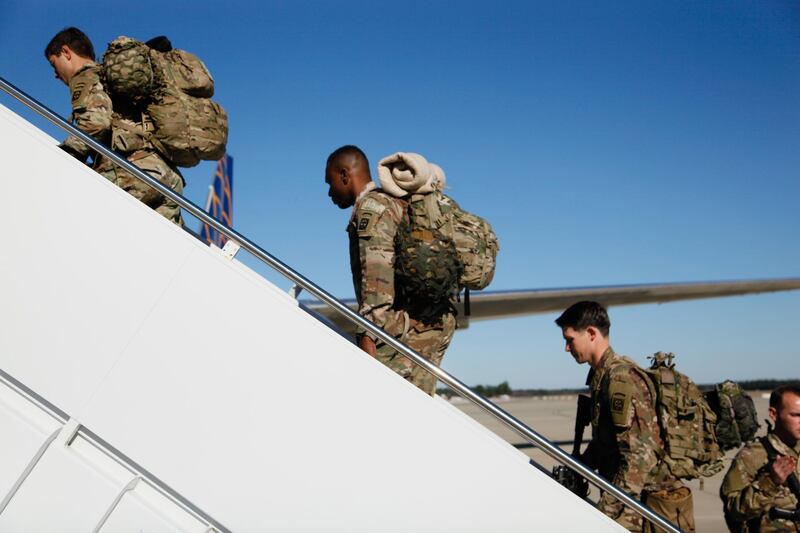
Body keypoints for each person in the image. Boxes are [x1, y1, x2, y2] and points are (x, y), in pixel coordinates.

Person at [325, 145, 457, 395]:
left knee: (390, 410)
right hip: (432, 323)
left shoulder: (371, 208)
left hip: (405, 331)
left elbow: (377, 281)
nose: (329, 192)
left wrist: (368, 338)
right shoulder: (396, 202)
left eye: (330, 182)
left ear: (344, 175)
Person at [555, 301, 693, 532]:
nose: (567, 348)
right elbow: (607, 444)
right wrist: (578, 467)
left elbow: (639, 457)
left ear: (590, 333)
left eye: (569, 339)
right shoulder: (602, 376)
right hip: (633, 499)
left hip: (649, 505)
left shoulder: (620, 379)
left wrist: (605, 511)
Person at [44, 27, 184, 225]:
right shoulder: (111, 78)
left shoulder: (85, 76)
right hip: (164, 177)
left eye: (53, 64)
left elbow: (97, 122)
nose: (56, 75)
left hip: (132, 177)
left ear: (66, 52)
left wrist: (64, 155)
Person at [720, 385, 800, 532]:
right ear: (774, 414)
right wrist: (770, 482)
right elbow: (734, 511)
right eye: (796, 415)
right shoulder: (752, 456)